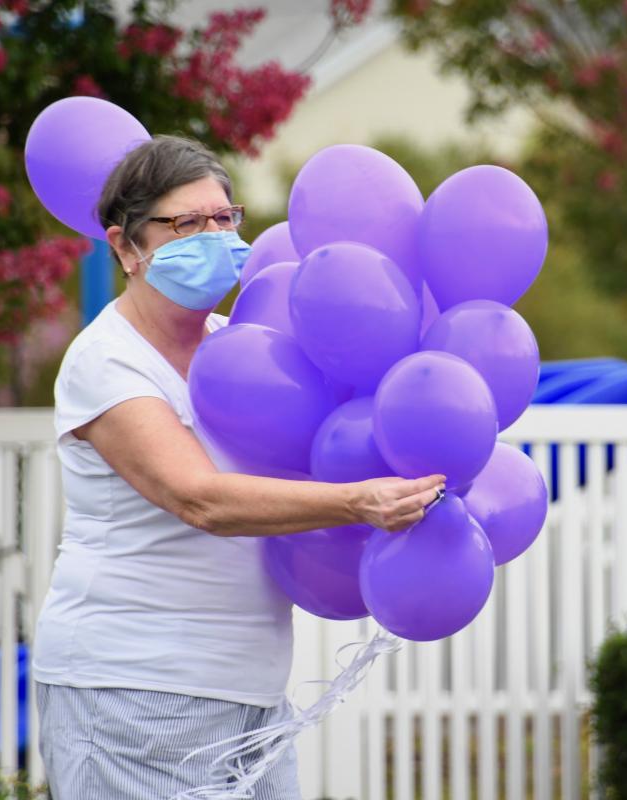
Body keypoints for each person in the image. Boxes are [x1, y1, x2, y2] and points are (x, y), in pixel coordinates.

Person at [32, 134, 445, 800]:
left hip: (251, 694)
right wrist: (353, 500)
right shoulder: (106, 360)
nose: (214, 236)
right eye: (186, 224)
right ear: (126, 247)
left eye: (225, 219)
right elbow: (200, 499)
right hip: (133, 693)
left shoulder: (247, 348)